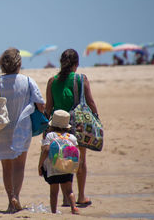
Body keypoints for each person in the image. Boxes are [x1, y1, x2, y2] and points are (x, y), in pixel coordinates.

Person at [0, 48, 45, 213]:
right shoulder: (28, 81)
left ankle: (10, 200)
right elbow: (41, 104)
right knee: (19, 165)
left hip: (0, 129)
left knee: (6, 167)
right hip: (21, 128)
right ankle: (16, 196)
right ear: (19, 64)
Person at [45, 48, 98, 207]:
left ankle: (66, 198)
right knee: (80, 160)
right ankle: (80, 196)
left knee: (61, 160)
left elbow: (49, 108)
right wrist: (97, 119)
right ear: (76, 64)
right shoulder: (81, 79)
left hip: (57, 125)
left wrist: (46, 131)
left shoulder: (52, 81)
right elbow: (90, 102)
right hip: (78, 125)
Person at [38, 110, 79, 215]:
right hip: (68, 167)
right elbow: (77, 152)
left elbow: (46, 150)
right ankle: (74, 207)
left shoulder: (50, 136)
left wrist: (40, 164)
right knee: (69, 190)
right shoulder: (72, 137)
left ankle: (53, 212)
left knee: (54, 192)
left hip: (53, 168)